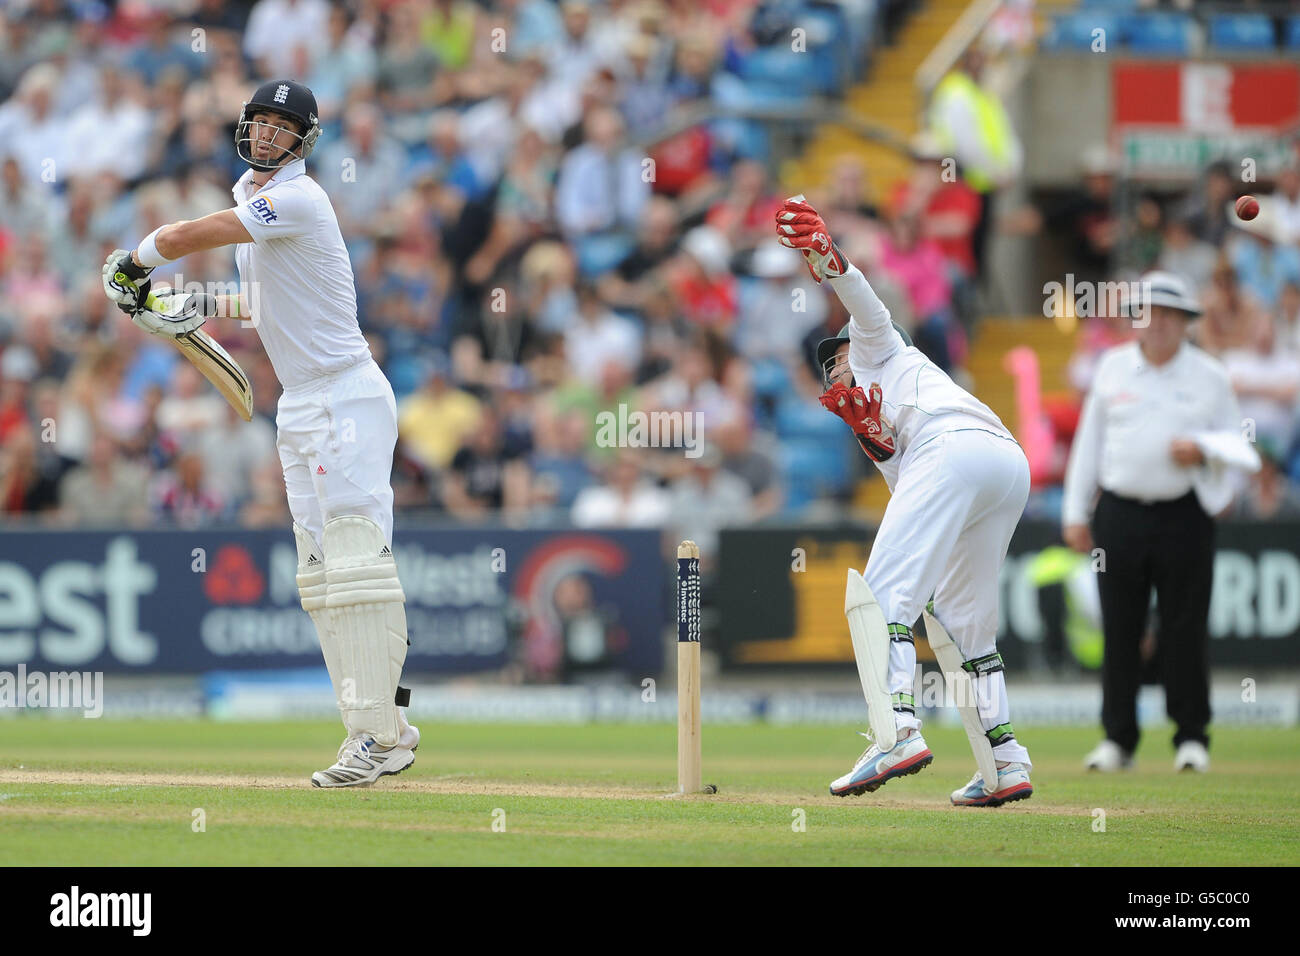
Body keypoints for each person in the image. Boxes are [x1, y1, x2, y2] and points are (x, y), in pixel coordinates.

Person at [100, 80, 418, 788]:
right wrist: (187, 305)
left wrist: (138, 263)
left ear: (304, 141)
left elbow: (189, 235)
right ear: (244, 128)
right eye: (262, 123)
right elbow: (262, 302)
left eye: (284, 127)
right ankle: (376, 732)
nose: (270, 136)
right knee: (320, 578)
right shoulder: (256, 200)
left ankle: (382, 735)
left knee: (357, 559)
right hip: (302, 405)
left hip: (347, 394)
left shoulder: (299, 199)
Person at [776, 195, 1034, 807]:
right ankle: (1005, 762)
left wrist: (826, 258)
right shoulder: (878, 418)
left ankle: (897, 732)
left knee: (882, 595)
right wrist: (876, 440)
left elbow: (866, 307)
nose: (833, 374)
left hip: (953, 450)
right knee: (964, 621)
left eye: (833, 360)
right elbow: (917, 491)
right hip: (1000, 461)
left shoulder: (877, 347)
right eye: (828, 371)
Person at [1062, 272, 1261, 774]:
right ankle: (1118, 739)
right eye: (1149, 314)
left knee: (1184, 627)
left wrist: (1203, 453)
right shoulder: (1112, 367)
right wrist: (1073, 512)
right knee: (1120, 627)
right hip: (1120, 513)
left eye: (1171, 316)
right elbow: (1089, 444)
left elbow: (1241, 446)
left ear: (1185, 323)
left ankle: (1191, 736)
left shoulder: (1209, 375)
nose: (1159, 324)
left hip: (1184, 512)